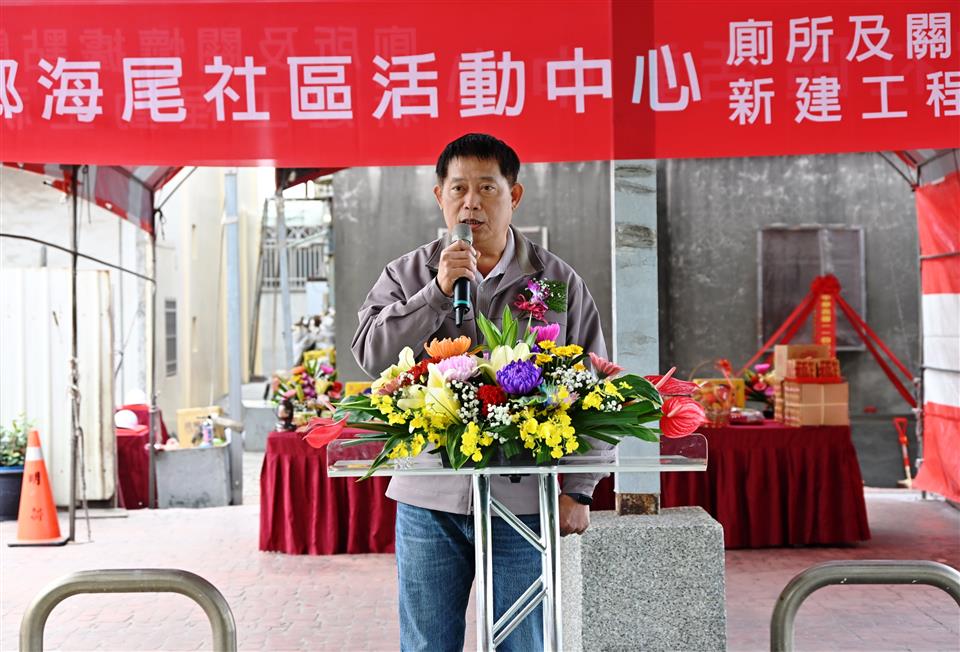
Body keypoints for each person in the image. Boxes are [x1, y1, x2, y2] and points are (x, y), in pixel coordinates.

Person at [352, 133, 608, 651]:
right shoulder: (407, 274)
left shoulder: (554, 280)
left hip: (523, 500)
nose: (471, 202)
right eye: (459, 188)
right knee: (427, 644)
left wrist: (580, 487)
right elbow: (371, 354)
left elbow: (595, 384)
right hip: (428, 497)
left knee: (522, 642)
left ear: (514, 196)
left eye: (487, 188)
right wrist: (437, 293)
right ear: (440, 197)